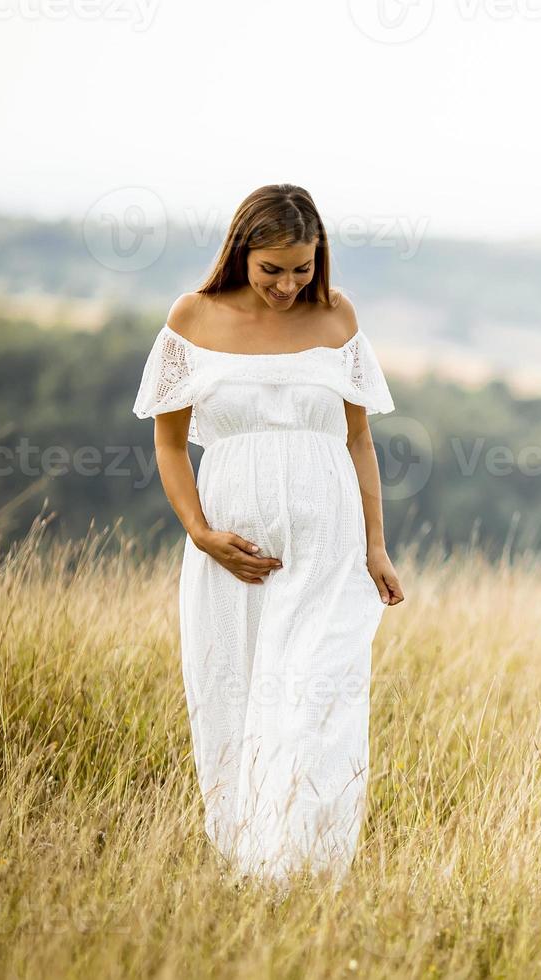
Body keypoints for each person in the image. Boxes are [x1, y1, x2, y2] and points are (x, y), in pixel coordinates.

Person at [132, 183, 406, 883]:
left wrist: (374, 546)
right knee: (237, 697)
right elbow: (169, 445)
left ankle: (308, 869)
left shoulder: (337, 317)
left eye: (302, 269)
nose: (289, 285)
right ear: (241, 254)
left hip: (330, 549)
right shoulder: (191, 318)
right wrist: (199, 532)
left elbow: (359, 437)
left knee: (316, 698)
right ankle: (253, 870)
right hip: (233, 556)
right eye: (272, 270)